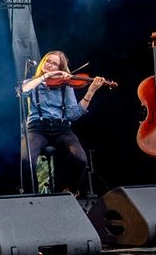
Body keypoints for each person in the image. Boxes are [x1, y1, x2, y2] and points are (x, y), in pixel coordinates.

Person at [20, 50, 107, 196]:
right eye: (48, 61)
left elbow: (72, 115)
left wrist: (90, 91)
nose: (50, 65)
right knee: (25, 160)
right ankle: (32, 196)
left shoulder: (66, 86)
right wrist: (45, 76)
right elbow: (23, 91)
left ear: (60, 69)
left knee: (80, 159)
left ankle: (71, 190)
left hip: (61, 128)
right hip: (37, 128)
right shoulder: (31, 82)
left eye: (55, 64)